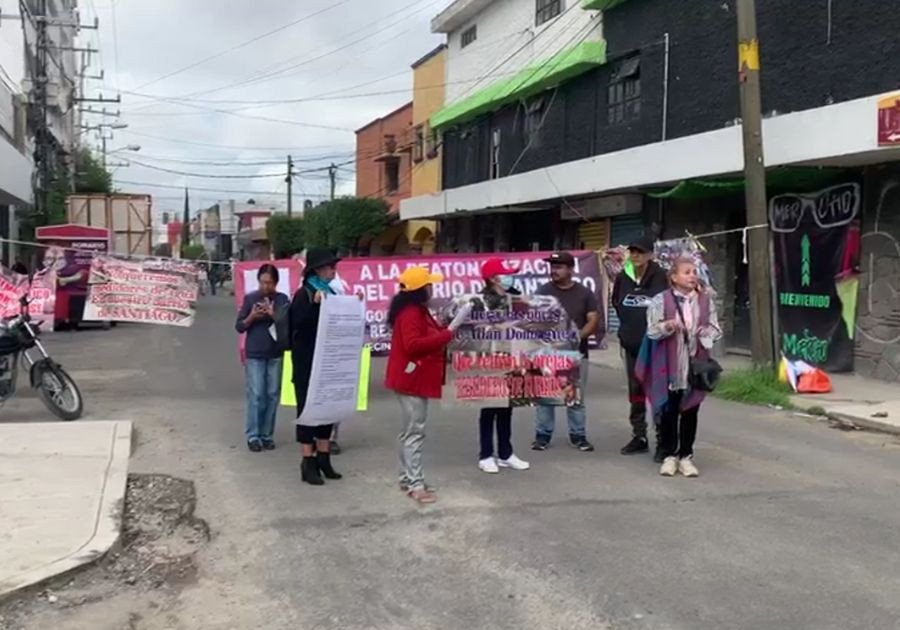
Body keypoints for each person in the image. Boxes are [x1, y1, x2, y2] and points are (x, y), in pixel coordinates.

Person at [385, 266, 471, 504]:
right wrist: (448, 333)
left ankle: (407, 478)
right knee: (415, 431)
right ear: (420, 289)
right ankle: (415, 483)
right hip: (412, 378)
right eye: (429, 284)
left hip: (409, 377)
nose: (432, 288)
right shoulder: (412, 312)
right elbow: (414, 345)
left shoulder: (413, 310)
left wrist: (445, 330)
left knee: (409, 431)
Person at [638, 257, 722, 478]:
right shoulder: (660, 300)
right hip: (667, 363)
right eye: (687, 272)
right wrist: (668, 325)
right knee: (668, 409)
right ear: (673, 277)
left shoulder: (706, 301)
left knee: (691, 410)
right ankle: (668, 456)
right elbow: (651, 331)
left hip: (695, 364)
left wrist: (706, 333)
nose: (693, 275)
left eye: (694, 272)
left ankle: (686, 456)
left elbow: (715, 328)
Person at [532, 252, 602, 452]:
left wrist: (577, 337)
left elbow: (593, 319)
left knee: (575, 397)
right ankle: (542, 436)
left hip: (576, 353)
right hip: (547, 352)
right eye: (552, 266)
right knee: (546, 397)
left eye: (559, 266)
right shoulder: (542, 292)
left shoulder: (584, 293)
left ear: (571, 270)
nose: (554, 270)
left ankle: (578, 436)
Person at [611, 235, 669, 460]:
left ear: (650, 255)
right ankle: (639, 436)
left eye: (640, 252)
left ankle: (663, 439)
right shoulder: (622, 277)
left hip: (657, 346)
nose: (635, 255)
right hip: (632, 345)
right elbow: (617, 303)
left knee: (657, 393)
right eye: (632, 251)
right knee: (636, 393)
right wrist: (627, 331)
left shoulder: (662, 277)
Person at [290, 248, 345, 486]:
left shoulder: (332, 293)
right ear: (317, 270)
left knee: (328, 410)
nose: (333, 270)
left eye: (334, 266)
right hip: (306, 364)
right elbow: (296, 325)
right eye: (329, 267)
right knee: (307, 411)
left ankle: (324, 458)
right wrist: (313, 306)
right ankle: (308, 461)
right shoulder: (304, 294)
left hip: (327, 363)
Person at [475, 258, 530, 474]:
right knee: (489, 409)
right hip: (488, 359)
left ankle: (506, 453)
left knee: (507, 408)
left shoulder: (512, 298)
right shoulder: (479, 301)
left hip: (511, 358)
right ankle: (486, 455)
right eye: (505, 274)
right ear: (492, 278)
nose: (509, 278)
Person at [235, 264, 289, 452]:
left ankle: (267, 434)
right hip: (255, 353)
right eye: (263, 282)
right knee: (256, 395)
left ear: (276, 283)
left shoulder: (282, 299)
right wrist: (252, 316)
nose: (266, 286)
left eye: (270, 283)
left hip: (275, 353)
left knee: (272, 395)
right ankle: (253, 435)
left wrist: (273, 314)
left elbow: (286, 324)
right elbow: (240, 326)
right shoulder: (251, 298)